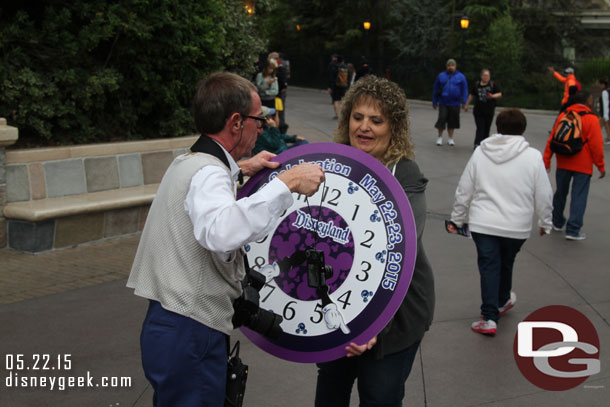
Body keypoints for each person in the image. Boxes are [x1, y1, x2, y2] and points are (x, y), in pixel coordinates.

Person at [127, 72, 325, 407]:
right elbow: (221, 231)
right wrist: (286, 183)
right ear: (236, 122)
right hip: (192, 330)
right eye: (257, 120)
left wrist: (241, 168)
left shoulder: (188, 163)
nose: (261, 128)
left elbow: (205, 194)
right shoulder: (209, 174)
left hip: (169, 325)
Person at [315, 75, 435, 407]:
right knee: (329, 393)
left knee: (379, 396)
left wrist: (373, 324)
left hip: (396, 316)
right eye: (357, 117)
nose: (364, 127)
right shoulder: (334, 164)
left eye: (376, 120)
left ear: (393, 127)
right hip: (340, 306)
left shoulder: (405, 174)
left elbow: (401, 249)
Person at [451, 109, 553, 336]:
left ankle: (489, 317)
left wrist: (458, 218)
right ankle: (502, 300)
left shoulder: (481, 152)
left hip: (483, 222)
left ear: (497, 127)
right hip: (517, 226)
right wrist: (546, 221)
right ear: (523, 129)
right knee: (506, 261)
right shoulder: (533, 156)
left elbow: (464, 188)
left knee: (489, 265)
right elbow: (544, 193)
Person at [543, 90, 606, 240]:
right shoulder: (591, 119)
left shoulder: (565, 115)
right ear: (588, 101)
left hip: (563, 160)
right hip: (583, 164)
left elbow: (552, 139)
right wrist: (600, 166)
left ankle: (557, 221)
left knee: (560, 192)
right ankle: (573, 230)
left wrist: (547, 159)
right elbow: (596, 145)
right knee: (579, 196)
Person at [432, 58, 468, 146]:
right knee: (442, 118)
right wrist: (434, 101)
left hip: (455, 103)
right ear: (446, 67)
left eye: (452, 65)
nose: (450, 67)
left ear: (455, 67)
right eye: (449, 65)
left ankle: (450, 138)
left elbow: (464, 90)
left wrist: (464, 102)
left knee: (452, 121)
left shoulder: (461, 77)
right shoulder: (441, 76)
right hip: (443, 102)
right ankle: (440, 137)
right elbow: (436, 89)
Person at [464, 69, 502, 147]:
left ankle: (485, 144)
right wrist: (466, 104)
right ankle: (477, 144)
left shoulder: (492, 84)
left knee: (487, 128)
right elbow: (472, 95)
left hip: (489, 110)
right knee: (480, 127)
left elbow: (499, 93)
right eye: (484, 75)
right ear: (481, 76)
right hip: (478, 110)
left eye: (487, 76)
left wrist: (493, 96)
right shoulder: (477, 85)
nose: (486, 77)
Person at [269, 51, 290, 133]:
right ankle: (279, 127)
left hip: (278, 92)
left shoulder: (280, 67)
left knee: (279, 110)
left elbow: (283, 79)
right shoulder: (280, 66)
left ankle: (280, 127)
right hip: (278, 91)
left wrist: (282, 87)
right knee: (279, 110)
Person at [328, 54, 349, 118]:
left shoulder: (334, 67)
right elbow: (349, 77)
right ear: (343, 60)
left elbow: (331, 77)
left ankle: (337, 114)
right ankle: (345, 113)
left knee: (336, 100)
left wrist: (330, 87)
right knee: (344, 99)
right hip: (344, 86)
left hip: (336, 86)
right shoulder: (346, 67)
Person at [598, 78, 610, 144]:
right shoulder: (608, 91)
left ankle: (597, 138)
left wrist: (605, 114)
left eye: (600, 84)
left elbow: (605, 103)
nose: (600, 86)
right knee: (606, 125)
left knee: (599, 126)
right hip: (607, 112)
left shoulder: (604, 92)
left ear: (603, 85)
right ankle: (608, 137)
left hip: (604, 112)